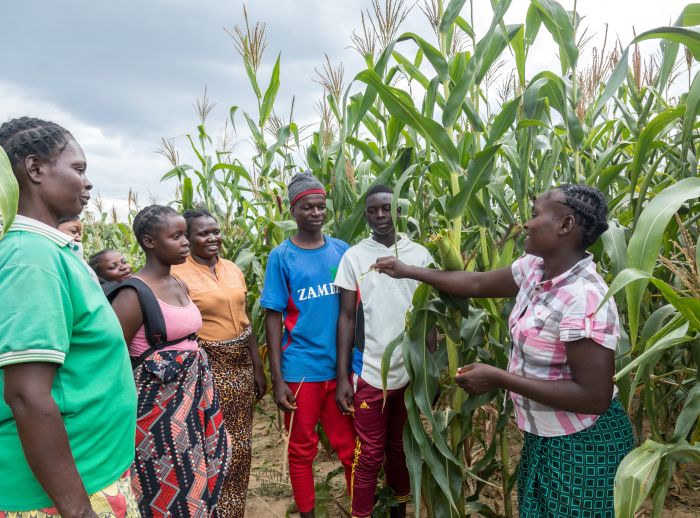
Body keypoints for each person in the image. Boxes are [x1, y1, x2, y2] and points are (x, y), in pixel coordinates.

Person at [374, 184, 635, 517]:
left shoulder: (584, 297)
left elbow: (593, 396)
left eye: (535, 214)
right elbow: (478, 284)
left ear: (566, 225)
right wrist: (408, 271)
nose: (526, 224)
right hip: (544, 436)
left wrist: (501, 378)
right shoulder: (535, 269)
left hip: (583, 443)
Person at [0, 117, 138, 516]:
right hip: (59, 496)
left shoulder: (52, 251)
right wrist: (76, 508)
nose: (87, 182)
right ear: (35, 169)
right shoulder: (32, 259)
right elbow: (26, 394)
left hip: (88, 472)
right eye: (78, 169)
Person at [110, 204, 231, 517]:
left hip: (195, 400)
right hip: (158, 413)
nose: (185, 243)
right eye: (176, 236)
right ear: (150, 242)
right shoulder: (133, 294)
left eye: (184, 235)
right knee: (171, 480)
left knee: (204, 467)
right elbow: (113, 360)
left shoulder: (180, 284)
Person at [334, 185, 433, 518]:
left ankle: (398, 512)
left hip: (410, 370)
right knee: (370, 452)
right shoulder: (354, 257)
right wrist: (342, 376)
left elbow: (428, 315)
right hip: (370, 371)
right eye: (373, 210)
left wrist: (430, 369)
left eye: (386, 209)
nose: (380, 216)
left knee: (400, 448)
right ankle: (361, 513)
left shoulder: (419, 255)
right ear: (365, 215)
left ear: (398, 212)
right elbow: (347, 318)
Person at [261, 171, 355, 518]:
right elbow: (273, 315)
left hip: (341, 368)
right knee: (301, 449)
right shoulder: (281, 257)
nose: (316, 213)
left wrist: (353, 367)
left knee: (349, 448)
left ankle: (358, 508)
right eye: (307, 207)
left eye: (321, 206)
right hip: (301, 369)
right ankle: (307, 512)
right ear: (293, 210)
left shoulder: (342, 251)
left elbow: (353, 311)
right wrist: (278, 377)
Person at [172, 208, 266, 517]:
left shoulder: (231, 268)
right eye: (203, 233)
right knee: (214, 446)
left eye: (215, 231)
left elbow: (245, 318)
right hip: (208, 369)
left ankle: (233, 509)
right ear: (187, 238)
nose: (213, 237)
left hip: (241, 367)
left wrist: (258, 365)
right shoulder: (177, 274)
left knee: (241, 447)